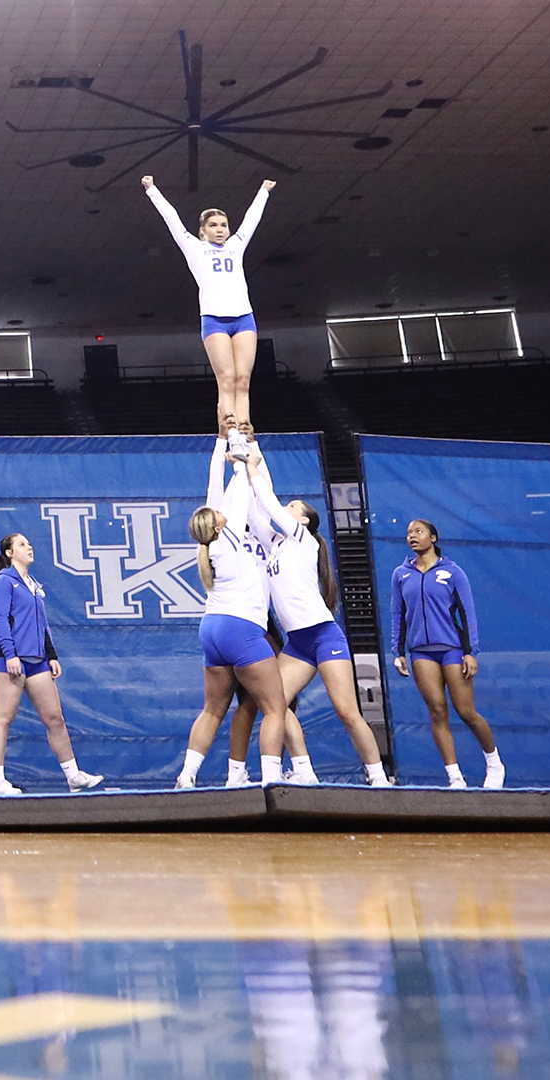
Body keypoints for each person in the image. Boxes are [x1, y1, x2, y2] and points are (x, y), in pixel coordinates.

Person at [237, 442, 392, 786]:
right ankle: (304, 769)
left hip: (323, 635)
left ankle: (378, 776)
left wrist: (253, 469)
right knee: (274, 706)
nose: (285, 507)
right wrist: (254, 453)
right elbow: (256, 508)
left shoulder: (301, 540)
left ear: (303, 520)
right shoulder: (275, 543)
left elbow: (270, 504)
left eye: (293, 506)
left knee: (347, 712)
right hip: (298, 643)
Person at [176, 425, 292, 787]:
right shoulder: (230, 533)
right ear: (218, 520)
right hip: (241, 627)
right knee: (275, 707)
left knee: (212, 710)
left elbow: (214, 482)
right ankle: (271, 780)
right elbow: (241, 487)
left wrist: (221, 442)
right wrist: (240, 454)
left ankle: (187, 775)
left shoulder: (210, 544)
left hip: (212, 628)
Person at [141, 174, 274, 446]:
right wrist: (152, 189)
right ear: (203, 230)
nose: (220, 229)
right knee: (226, 378)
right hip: (214, 321)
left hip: (243, 318)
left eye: (224, 225)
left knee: (243, 379)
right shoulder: (195, 248)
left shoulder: (236, 246)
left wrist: (263, 191)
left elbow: (252, 220)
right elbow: (173, 220)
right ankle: (229, 429)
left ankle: (245, 429)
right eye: (213, 225)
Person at [0, 533, 104, 794]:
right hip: (9, 661)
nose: (29, 547)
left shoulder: (34, 585)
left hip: (37, 661)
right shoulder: (4, 581)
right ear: (9, 553)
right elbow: (0, 620)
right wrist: (10, 654)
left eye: (29, 543)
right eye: (22, 544)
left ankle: (73, 776)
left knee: (55, 719)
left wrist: (51, 656)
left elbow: (43, 625)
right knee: (2, 718)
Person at [391, 519, 505, 788]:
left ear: (433, 537)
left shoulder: (453, 572)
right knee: (437, 710)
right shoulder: (400, 574)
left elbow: (468, 614)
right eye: (408, 533)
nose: (412, 537)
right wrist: (397, 651)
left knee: (466, 711)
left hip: (452, 650)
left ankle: (494, 763)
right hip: (420, 652)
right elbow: (398, 615)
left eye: (418, 532)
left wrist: (471, 652)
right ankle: (455, 777)